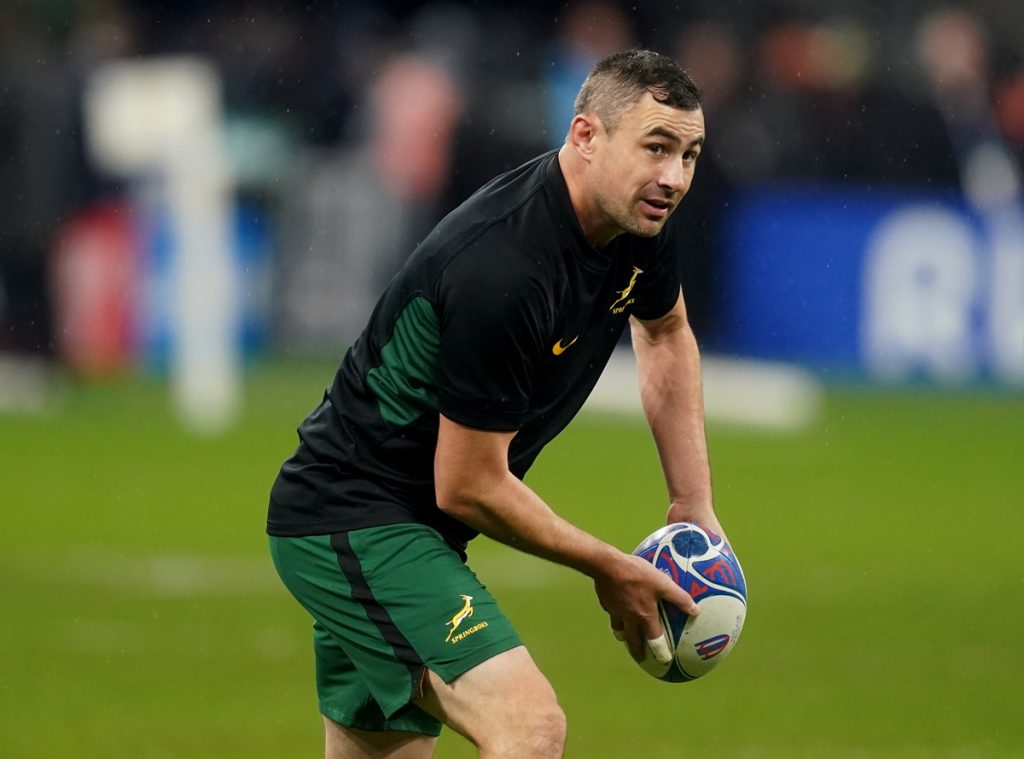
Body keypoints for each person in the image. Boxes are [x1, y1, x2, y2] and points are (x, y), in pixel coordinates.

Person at [267, 49, 725, 758]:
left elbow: (665, 333)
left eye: (690, 154)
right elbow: (470, 482)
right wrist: (610, 566)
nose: (674, 177)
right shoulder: (504, 270)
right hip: (354, 520)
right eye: (656, 147)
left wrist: (692, 506)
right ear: (584, 136)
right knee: (529, 726)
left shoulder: (639, 224)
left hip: (411, 530)